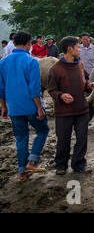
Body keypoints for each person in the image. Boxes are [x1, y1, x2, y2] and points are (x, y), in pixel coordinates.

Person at [0, 31, 49, 182]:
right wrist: (39, 108)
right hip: (30, 106)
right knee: (42, 130)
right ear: (30, 44)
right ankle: (32, 161)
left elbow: (1, 88)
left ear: (13, 44)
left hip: (13, 107)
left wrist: (3, 107)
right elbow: (34, 89)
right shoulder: (32, 61)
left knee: (21, 138)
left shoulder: (3, 62)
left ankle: (21, 173)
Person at [48, 36, 94, 175]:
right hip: (64, 111)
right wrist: (61, 95)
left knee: (82, 138)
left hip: (81, 109)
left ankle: (79, 163)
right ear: (70, 49)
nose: (80, 49)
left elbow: (85, 81)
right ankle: (61, 164)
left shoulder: (80, 65)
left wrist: (89, 85)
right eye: (77, 47)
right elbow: (51, 90)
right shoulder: (55, 69)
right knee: (63, 139)